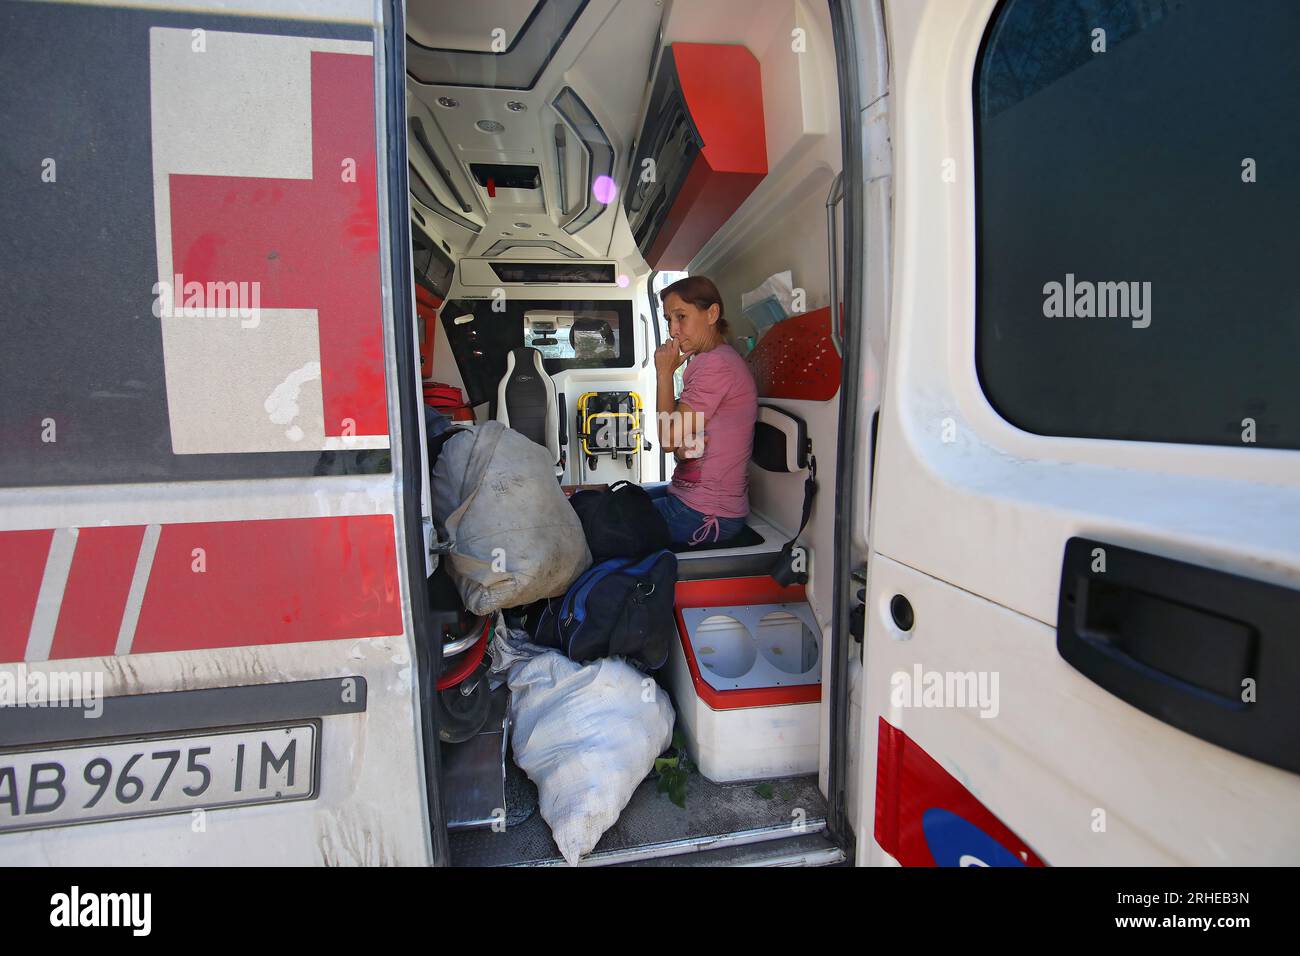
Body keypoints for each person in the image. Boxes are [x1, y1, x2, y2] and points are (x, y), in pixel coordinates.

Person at [650, 275, 758, 546]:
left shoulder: (716, 365)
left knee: (602, 528)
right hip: (687, 497)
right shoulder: (707, 362)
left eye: (681, 317)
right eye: (668, 320)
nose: (673, 330)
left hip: (705, 515)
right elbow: (676, 439)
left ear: (711, 314)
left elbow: (668, 439)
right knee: (617, 503)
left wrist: (664, 374)